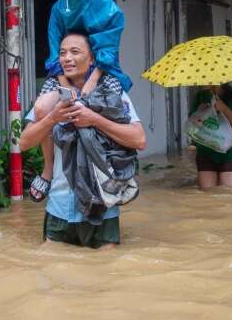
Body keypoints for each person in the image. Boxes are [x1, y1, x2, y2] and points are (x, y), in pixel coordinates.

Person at [20, 32, 146, 249]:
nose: (67, 58)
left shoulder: (111, 93)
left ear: (92, 59)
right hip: (60, 206)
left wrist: (95, 119)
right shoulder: (52, 98)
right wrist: (53, 118)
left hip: (103, 205)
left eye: (75, 52)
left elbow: (139, 139)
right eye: (62, 53)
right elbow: (24, 143)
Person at [30, 0, 131, 202]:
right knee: (42, 109)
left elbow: (108, 48)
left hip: (101, 70)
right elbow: (55, 51)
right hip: (64, 74)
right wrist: (66, 86)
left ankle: (120, 170)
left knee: (113, 111)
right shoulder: (57, 8)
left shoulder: (106, 7)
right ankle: (49, 170)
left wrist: (91, 82)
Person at [190, 84, 232, 189]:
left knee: (227, 192)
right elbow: (192, 127)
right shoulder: (200, 97)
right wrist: (199, 113)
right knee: (207, 192)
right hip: (206, 150)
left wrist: (224, 109)